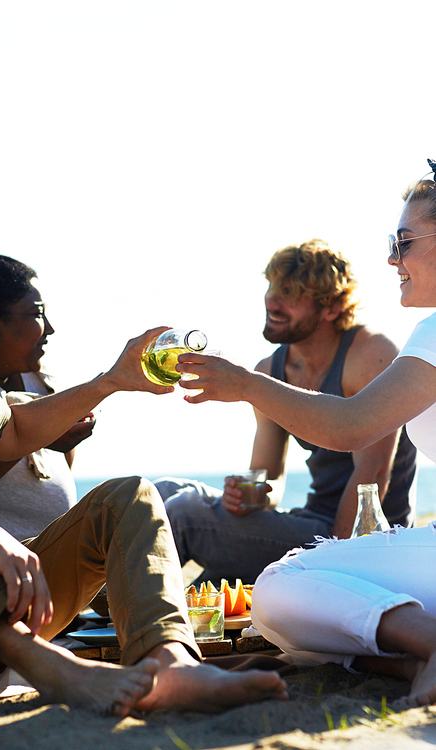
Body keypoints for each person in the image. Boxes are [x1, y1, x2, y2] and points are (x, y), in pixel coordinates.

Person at [0, 188, 288, 716]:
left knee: (130, 498)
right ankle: (58, 671)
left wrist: (112, 381)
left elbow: (13, 432)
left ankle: (170, 665)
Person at [176, 159, 436, 707]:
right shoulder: (279, 365)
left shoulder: (399, 343)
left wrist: (242, 382)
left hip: (365, 529)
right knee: (187, 504)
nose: (392, 256)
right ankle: (415, 656)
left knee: (277, 593)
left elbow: (355, 439)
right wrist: (250, 492)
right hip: (382, 542)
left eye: (404, 240)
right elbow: (266, 471)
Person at [158, 241, 416, 583]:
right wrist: (250, 496)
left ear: (333, 307)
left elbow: (372, 477)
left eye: (291, 293)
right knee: (158, 495)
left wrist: (338, 573)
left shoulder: (371, 355)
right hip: (311, 522)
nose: (272, 301)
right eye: (272, 287)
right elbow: (270, 479)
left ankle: (114, 621)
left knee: (186, 516)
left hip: (363, 542)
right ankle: (100, 610)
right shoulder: (269, 370)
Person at [0, 253, 95, 541]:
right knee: (127, 499)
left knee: (169, 492)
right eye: (37, 314)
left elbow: (62, 472)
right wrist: (35, 435)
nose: (50, 329)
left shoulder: (41, 382)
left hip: (55, 550)